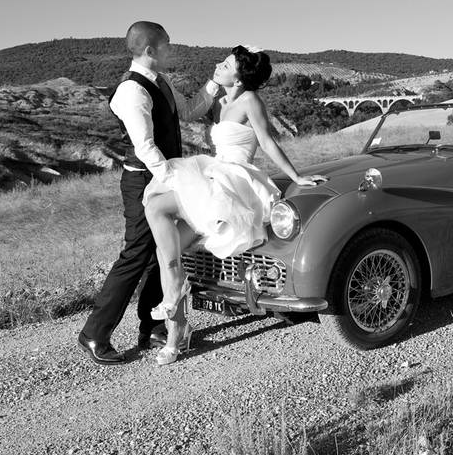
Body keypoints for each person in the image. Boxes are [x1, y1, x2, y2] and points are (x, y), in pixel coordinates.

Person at [143, 45, 326, 365]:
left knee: (157, 208)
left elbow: (268, 141)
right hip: (215, 175)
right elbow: (190, 113)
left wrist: (297, 175)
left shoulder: (250, 100)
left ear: (240, 78)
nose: (218, 65)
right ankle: (177, 330)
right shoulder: (220, 101)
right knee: (169, 251)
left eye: (225, 65)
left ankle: (170, 301)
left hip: (236, 181)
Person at [77, 21, 220, 365]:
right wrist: (172, 180)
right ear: (150, 50)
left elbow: (187, 112)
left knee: (165, 246)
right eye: (168, 45)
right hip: (144, 180)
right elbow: (145, 147)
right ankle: (94, 333)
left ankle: (153, 323)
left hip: (166, 178)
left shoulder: (163, 81)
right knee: (137, 253)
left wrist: (215, 85)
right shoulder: (131, 91)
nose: (173, 50)